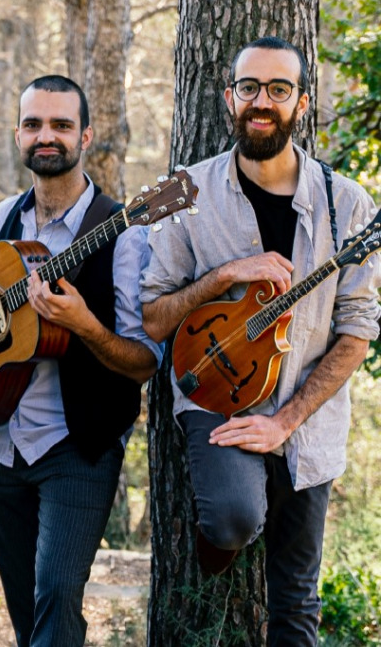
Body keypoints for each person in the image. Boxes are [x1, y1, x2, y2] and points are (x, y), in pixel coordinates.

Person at [140, 36, 381, 644]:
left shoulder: (347, 204)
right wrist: (224, 275)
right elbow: (154, 319)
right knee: (232, 520)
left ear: (302, 102)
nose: (262, 102)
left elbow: (357, 331)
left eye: (278, 89)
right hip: (215, 388)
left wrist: (286, 421)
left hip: (307, 415)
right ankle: (224, 532)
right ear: (229, 97)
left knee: (296, 600)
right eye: (249, 87)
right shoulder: (186, 194)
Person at [0, 75, 160, 646]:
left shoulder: (123, 231)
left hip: (75, 444)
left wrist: (84, 325)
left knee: (56, 593)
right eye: (33, 124)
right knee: (26, 611)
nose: (46, 136)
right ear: (18, 134)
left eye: (61, 125)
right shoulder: (6, 214)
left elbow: (143, 361)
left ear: (85, 136)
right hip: (0, 442)